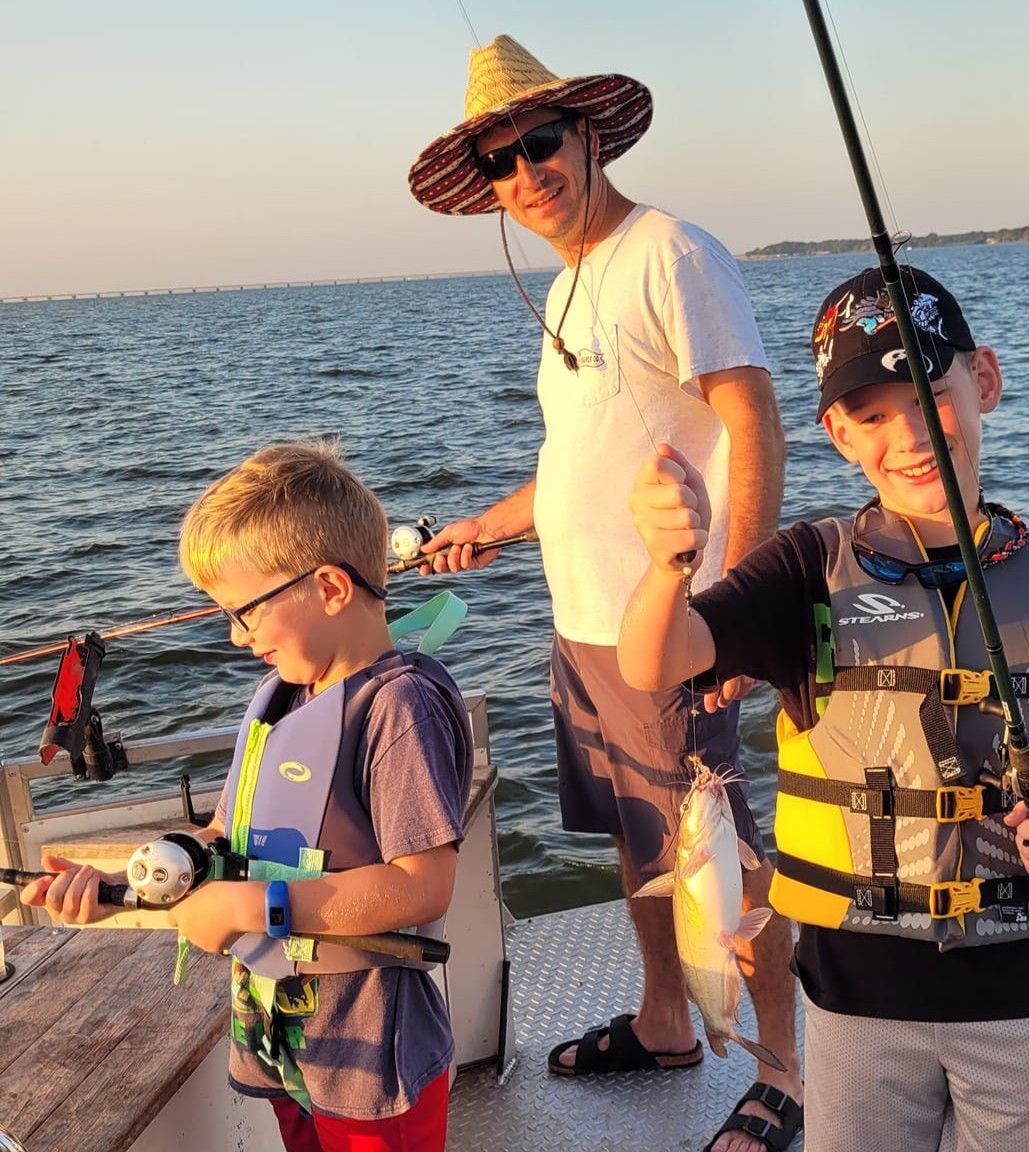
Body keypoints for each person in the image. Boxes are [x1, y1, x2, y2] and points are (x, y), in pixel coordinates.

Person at [618, 265, 1029, 1151]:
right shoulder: (805, 571)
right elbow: (659, 660)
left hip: (1021, 992)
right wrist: (667, 564)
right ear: (836, 433)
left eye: (930, 394)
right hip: (853, 1000)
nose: (908, 436)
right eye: (871, 415)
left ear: (983, 379)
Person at [407, 34, 797, 1152]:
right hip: (586, 630)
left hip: (680, 632)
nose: (526, 174)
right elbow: (585, 454)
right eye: (500, 161)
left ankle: (784, 1073)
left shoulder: (668, 250)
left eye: (540, 143)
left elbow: (751, 420)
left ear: (586, 133)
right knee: (641, 842)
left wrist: (736, 614)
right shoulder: (574, 284)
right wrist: (489, 523)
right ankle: (669, 1020)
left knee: (724, 857)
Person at [23, 440, 473, 1152]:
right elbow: (223, 837)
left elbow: (424, 887)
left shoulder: (400, 707)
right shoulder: (281, 698)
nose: (237, 637)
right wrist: (120, 882)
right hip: (280, 1037)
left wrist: (255, 907)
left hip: (368, 1055)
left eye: (247, 611)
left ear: (329, 588)